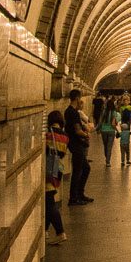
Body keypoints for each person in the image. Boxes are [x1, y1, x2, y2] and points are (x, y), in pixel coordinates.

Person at [64, 89, 93, 205]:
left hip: (73, 143)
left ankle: (79, 194)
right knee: (77, 171)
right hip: (76, 144)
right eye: (80, 98)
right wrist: (86, 135)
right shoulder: (73, 113)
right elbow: (77, 130)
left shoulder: (68, 111)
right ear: (77, 98)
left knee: (85, 168)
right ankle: (73, 198)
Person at [45, 111, 69, 245]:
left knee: (49, 203)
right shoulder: (65, 136)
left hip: (47, 170)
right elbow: (63, 154)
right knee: (49, 199)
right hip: (58, 170)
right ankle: (45, 230)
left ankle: (60, 232)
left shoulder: (47, 134)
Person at [99, 97, 119, 167]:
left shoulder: (104, 111)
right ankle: (108, 161)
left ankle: (106, 157)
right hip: (111, 131)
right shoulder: (114, 112)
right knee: (109, 147)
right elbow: (113, 124)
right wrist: (117, 130)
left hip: (104, 131)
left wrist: (98, 129)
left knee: (105, 145)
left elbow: (100, 121)